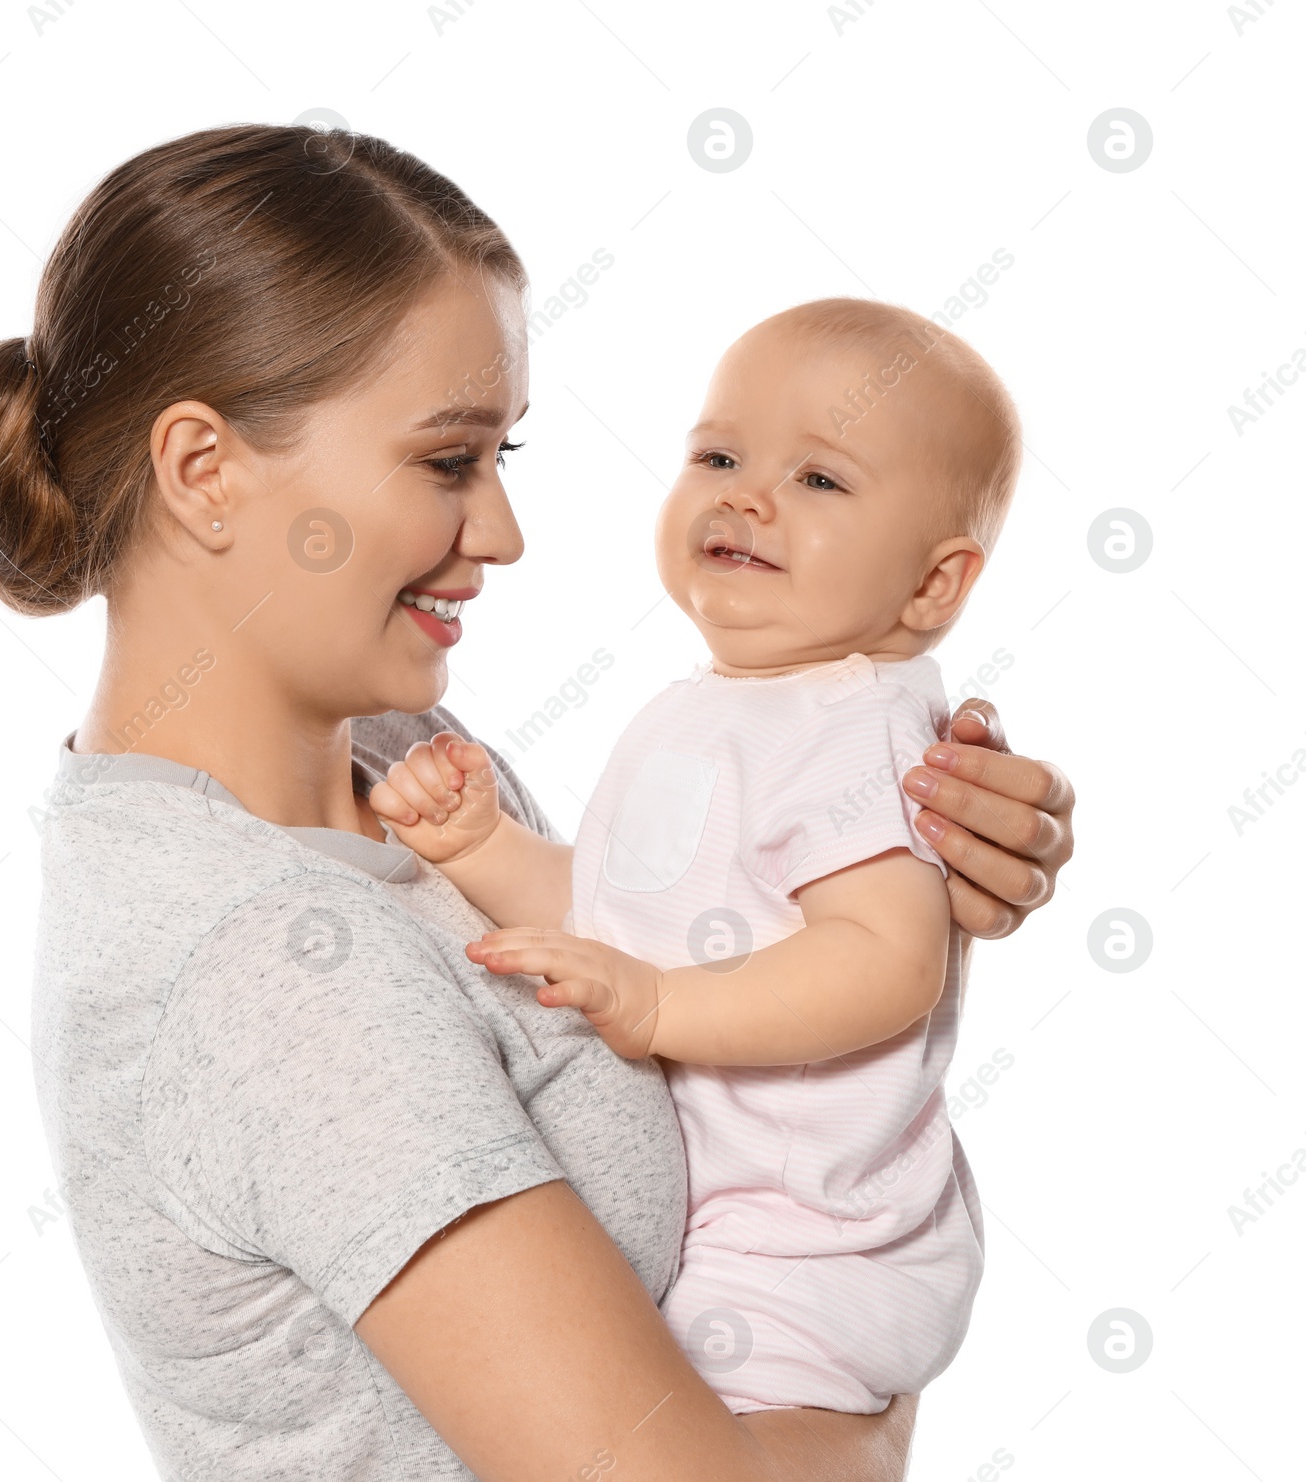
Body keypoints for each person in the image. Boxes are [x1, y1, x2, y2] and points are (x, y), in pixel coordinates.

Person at [0, 123, 1075, 1480]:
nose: (502, 534)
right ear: (204, 471)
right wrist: (866, 1369)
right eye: (444, 461)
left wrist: (896, 839)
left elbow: (666, 926)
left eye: (504, 458)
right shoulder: (278, 971)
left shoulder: (388, 751)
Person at [365, 297, 1025, 1416]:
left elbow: (884, 961)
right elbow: (625, 916)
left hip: (809, 1247)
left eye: (820, 479)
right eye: (719, 454)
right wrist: (484, 847)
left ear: (932, 584)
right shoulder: (720, 707)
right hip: (730, 1225)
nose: (745, 493)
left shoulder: (854, 725)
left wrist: (661, 1007)